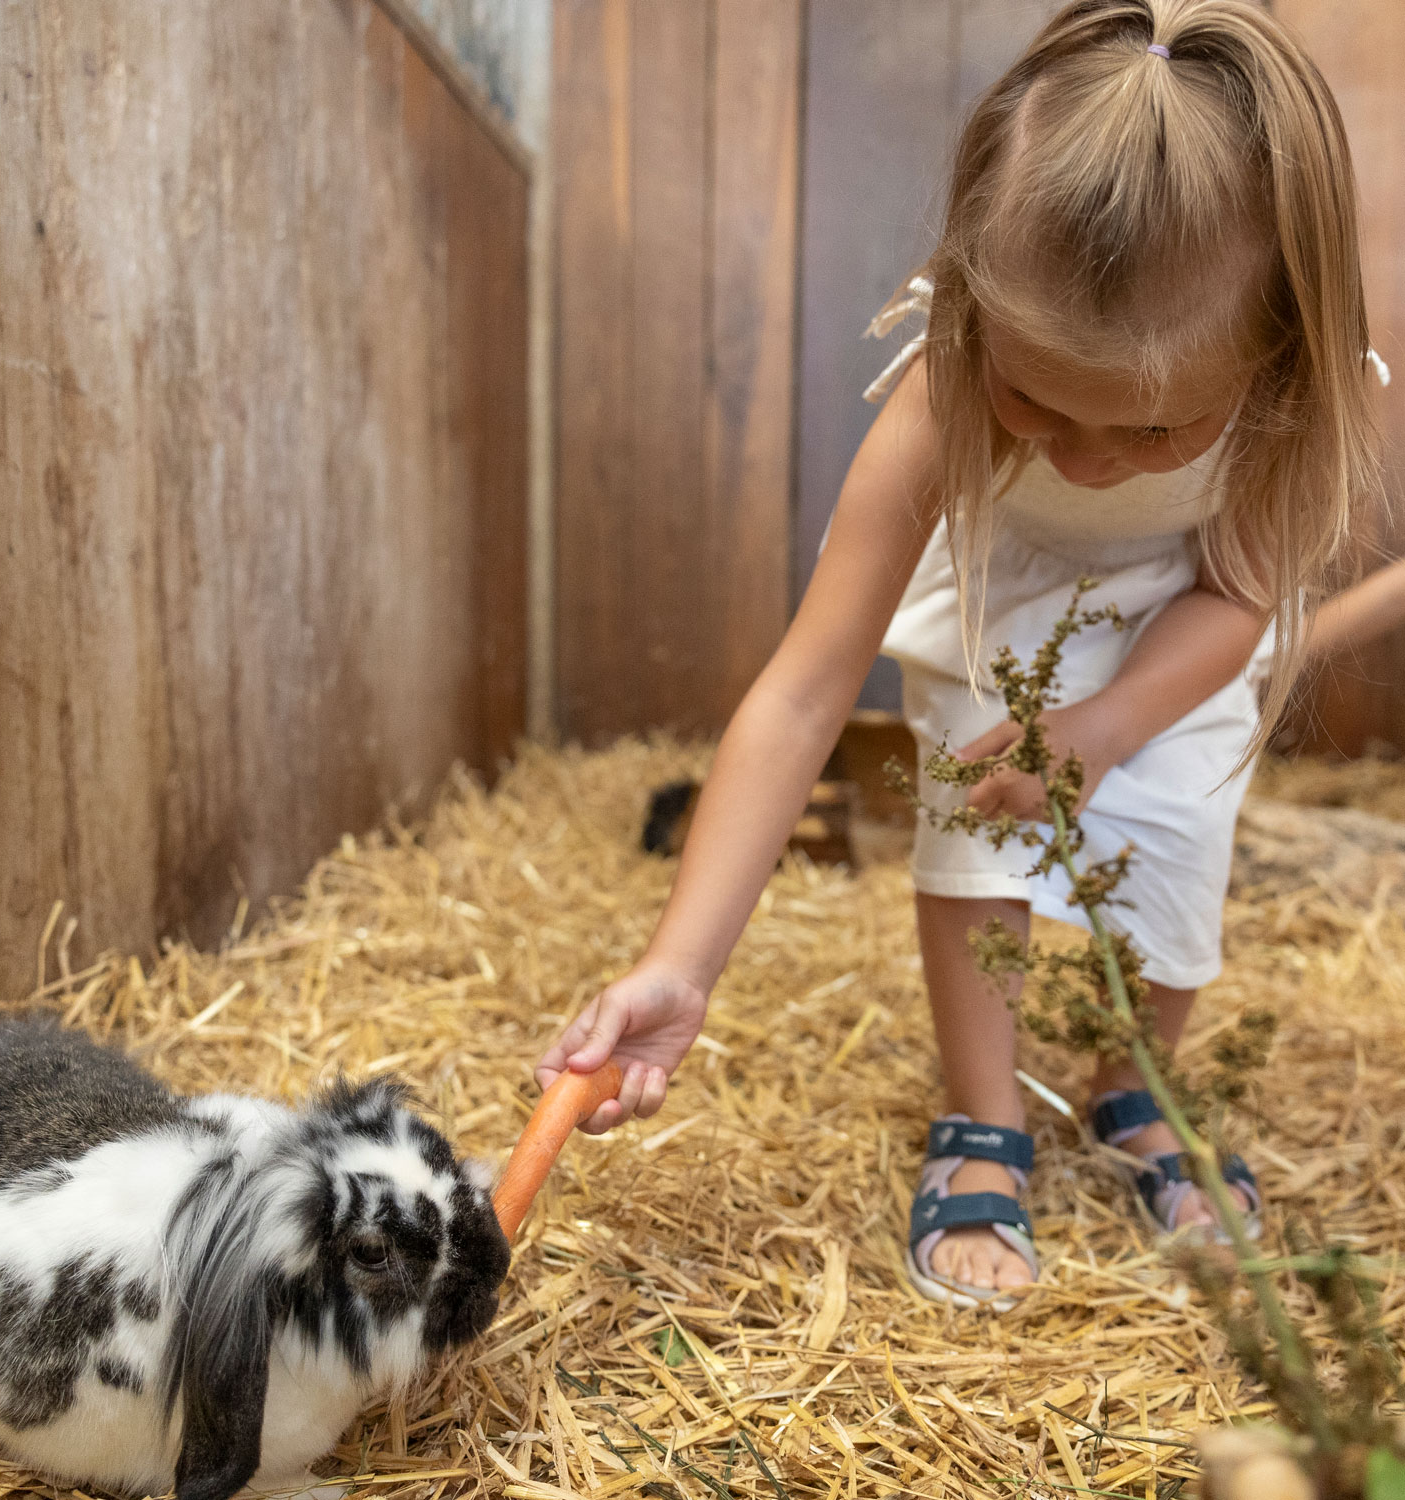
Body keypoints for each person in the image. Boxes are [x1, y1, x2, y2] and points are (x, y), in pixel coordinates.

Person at [537, 0, 1388, 1310]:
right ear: (979, 313)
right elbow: (808, 687)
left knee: (1171, 854)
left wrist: (1106, 732)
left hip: (1187, 629)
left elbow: (1239, 598)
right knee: (977, 840)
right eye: (1039, 402)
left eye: (1155, 429)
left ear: (1269, 359)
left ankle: (1134, 1092)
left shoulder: (1290, 396)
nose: (1093, 456)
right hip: (1005, 597)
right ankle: (984, 1116)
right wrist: (680, 965)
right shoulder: (945, 386)